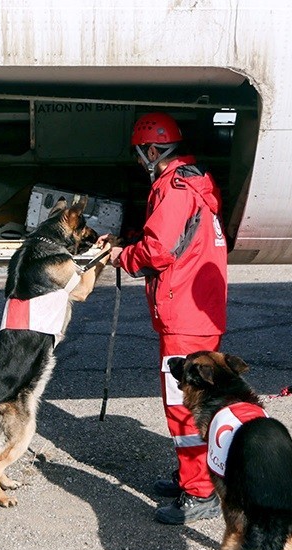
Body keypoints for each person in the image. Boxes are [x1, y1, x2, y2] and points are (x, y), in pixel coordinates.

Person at [101, 112, 228, 524]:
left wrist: (121, 256)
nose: (140, 162)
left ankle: (200, 492)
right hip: (197, 311)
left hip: (184, 317)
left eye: (140, 154)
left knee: (184, 406)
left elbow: (158, 251)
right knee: (196, 403)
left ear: (153, 150)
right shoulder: (195, 182)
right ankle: (196, 476)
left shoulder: (173, 187)